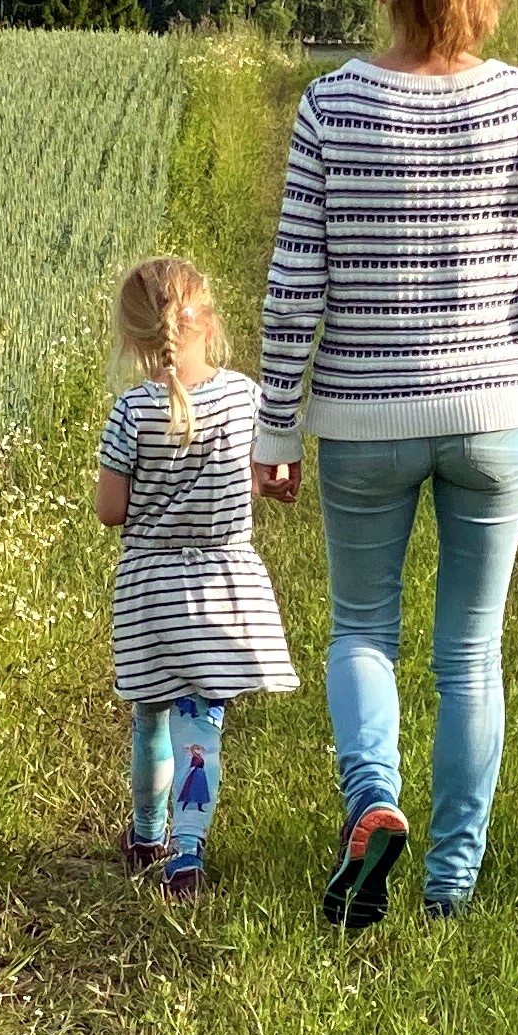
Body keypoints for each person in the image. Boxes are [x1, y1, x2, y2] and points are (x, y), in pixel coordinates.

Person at [252, 0, 518, 928]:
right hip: (496, 416)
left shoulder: (331, 106)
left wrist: (275, 427)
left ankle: (374, 802)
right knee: (469, 653)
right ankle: (450, 884)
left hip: (362, 417)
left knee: (362, 630)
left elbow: (294, 282)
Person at [97, 256, 296, 900]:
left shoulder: (132, 411)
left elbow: (111, 509)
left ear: (135, 338)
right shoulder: (245, 397)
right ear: (207, 322)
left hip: (149, 590)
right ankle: (186, 853)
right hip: (222, 587)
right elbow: (273, 475)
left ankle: (146, 832)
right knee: (199, 724)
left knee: (151, 715)